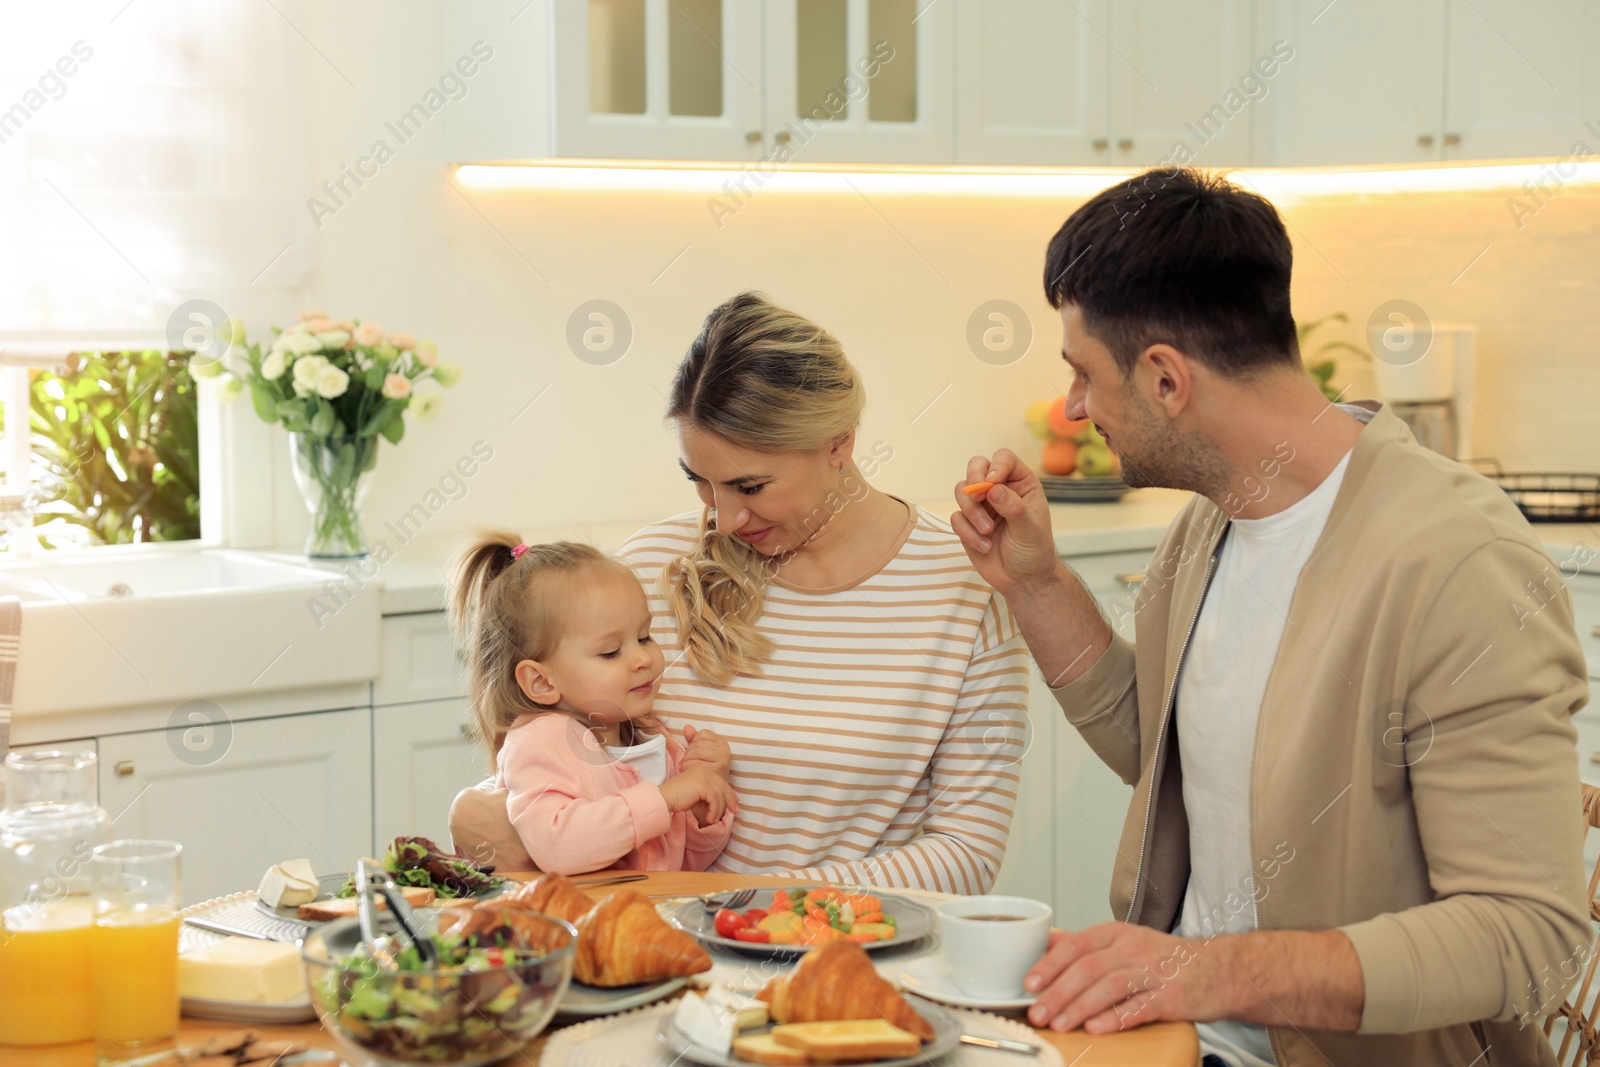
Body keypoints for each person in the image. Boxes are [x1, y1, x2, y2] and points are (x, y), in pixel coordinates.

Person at [953, 168, 1589, 1066]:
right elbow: (1164, 746)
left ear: (1167, 378)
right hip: (1185, 1036)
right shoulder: (1211, 523)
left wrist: (1211, 972)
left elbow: (1530, 934)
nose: (1075, 408)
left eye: (1084, 374)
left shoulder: (1458, 566)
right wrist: (1036, 583)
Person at [613, 291, 1031, 894]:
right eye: (700, 482)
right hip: (664, 957)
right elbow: (565, 776)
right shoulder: (646, 570)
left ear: (839, 442)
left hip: (851, 956)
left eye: (750, 485)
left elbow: (966, 854)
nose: (724, 518)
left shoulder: (964, 586)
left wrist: (755, 907)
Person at [446, 534, 736, 874]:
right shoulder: (540, 741)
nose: (643, 657)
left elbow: (677, 866)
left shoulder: (650, 738)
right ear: (541, 682)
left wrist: (703, 806)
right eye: (611, 652)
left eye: (644, 636)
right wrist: (668, 797)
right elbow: (559, 848)